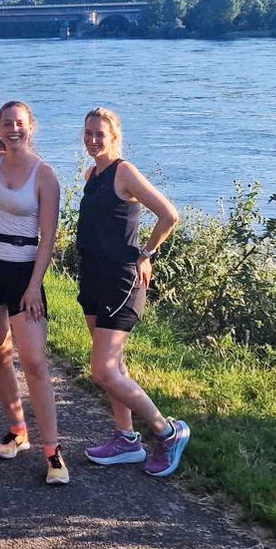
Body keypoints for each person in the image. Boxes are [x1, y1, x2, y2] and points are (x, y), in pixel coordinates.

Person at [0, 36, 69, 485]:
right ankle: (17, 431)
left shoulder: (46, 175)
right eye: (6, 123)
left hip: (22, 274)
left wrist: (33, 285)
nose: (11, 129)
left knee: (35, 362)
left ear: (32, 126)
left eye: (19, 123)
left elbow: (48, 237)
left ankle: (54, 454)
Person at [77, 107, 189, 477]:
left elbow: (169, 214)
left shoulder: (124, 172)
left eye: (100, 134)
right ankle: (126, 440)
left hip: (121, 282)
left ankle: (167, 432)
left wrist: (147, 253)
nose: (93, 139)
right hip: (92, 278)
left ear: (114, 137)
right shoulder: (92, 173)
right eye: (88, 132)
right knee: (116, 366)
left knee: (104, 370)